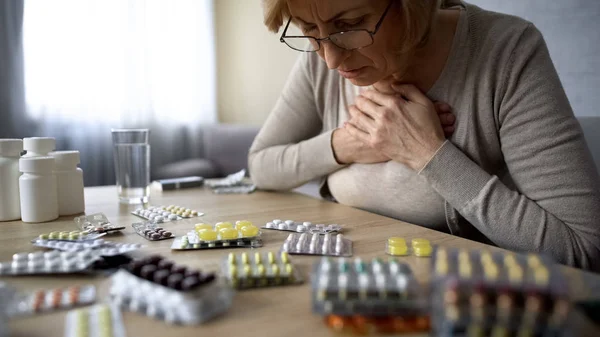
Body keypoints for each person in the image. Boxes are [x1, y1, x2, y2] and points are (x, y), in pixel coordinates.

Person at [248, 0, 600, 270]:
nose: (330, 59)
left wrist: (429, 153)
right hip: (347, 273)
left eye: (350, 24)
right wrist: (349, 144)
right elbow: (260, 164)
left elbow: (583, 249)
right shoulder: (321, 55)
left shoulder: (505, 51)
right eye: (308, 28)